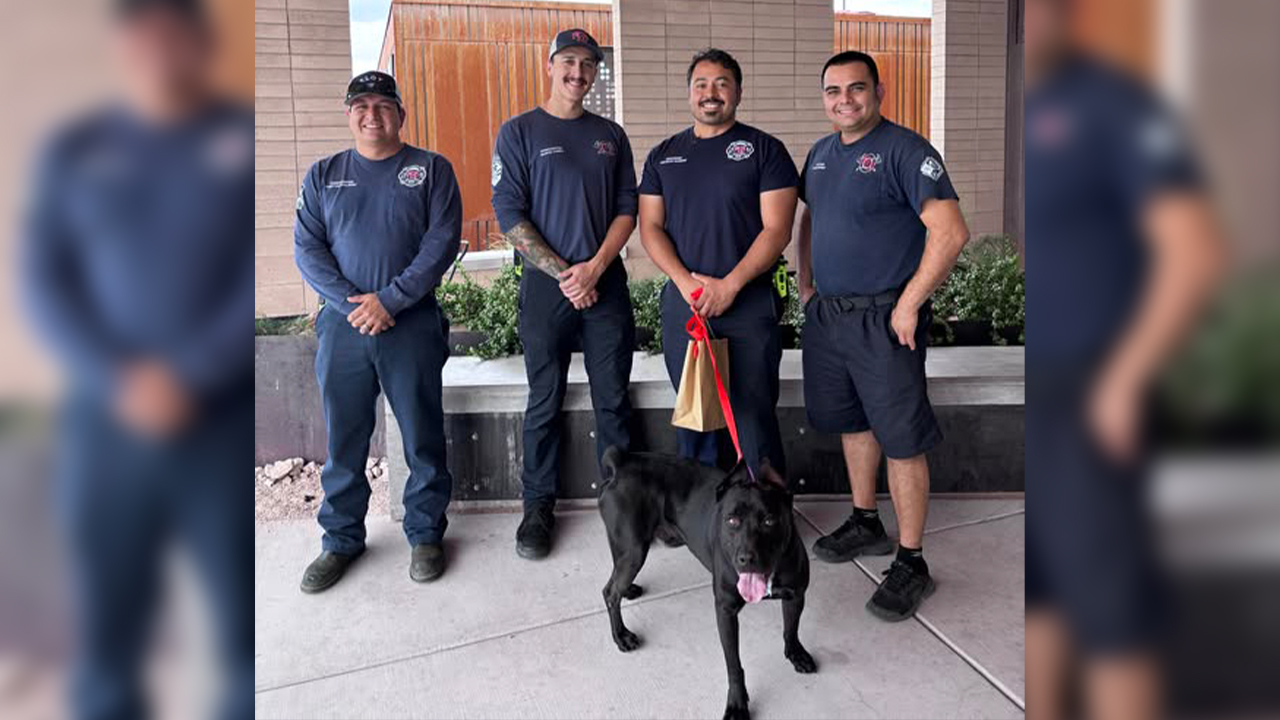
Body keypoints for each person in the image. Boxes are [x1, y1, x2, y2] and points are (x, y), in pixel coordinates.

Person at [23, 0, 252, 716]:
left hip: (219, 420)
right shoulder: (73, 148)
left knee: (242, 634)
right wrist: (114, 377)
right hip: (106, 424)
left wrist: (189, 373)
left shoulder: (240, 139)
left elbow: (255, 273)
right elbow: (42, 279)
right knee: (106, 632)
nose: (155, 47)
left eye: (171, 32)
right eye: (139, 33)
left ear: (198, 43)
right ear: (119, 46)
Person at [1023, 0, 1224, 717]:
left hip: (1096, 391)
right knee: (1044, 593)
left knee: (1113, 618)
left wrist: (1125, 378)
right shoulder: (1039, 111)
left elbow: (1195, 249)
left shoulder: (1116, 105)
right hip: (1044, 393)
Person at [796, 51, 971, 622]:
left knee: (900, 439)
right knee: (854, 422)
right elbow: (809, 218)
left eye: (855, 89)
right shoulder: (820, 155)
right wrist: (805, 285)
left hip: (884, 320)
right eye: (833, 91)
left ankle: (912, 560)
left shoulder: (906, 151)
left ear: (879, 91)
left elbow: (950, 232)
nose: (843, 100)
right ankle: (866, 520)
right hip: (831, 319)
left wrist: (910, 304)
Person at [294, 70, 461, 591]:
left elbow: (440, 245)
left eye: (383, 105)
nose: (372, 114)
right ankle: (341, 539)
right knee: (344, 438)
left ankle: (426, 533)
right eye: (361, 106)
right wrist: (354, 306)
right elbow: (308, 249)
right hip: (344, 329)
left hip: (410, 323)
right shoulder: (324, 174)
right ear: (349, 116)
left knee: (421, 434)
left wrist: (389, 300)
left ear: (400, 114)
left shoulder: (430, 170)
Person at [490, 28, 639, 559]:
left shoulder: (611, 135)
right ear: (550, 65)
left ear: (596, 72)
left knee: (614, 400)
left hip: (605, 284)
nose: (578, 73)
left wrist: (595, 268)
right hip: (545, 288)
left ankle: (627, 505)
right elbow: (510, 215)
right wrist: (565, 275)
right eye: (569, 62)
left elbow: (628, 208)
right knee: (544, 401)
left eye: (588, 64)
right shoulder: (519, 132)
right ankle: (538, 508)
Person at [638, 48, 797, 478]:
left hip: (747, 304)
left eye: (722, 83)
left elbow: (777, 230)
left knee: (753, 415)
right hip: (686, 306)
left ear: (739, 92)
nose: (711, 93)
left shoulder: (766, 151)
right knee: (696, 415)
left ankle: (766, 518)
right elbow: (650, 227)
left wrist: (730, 285)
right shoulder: (663, 156)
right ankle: (703, 519)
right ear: (689, 94)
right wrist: (686, 283)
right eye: (701, 84)